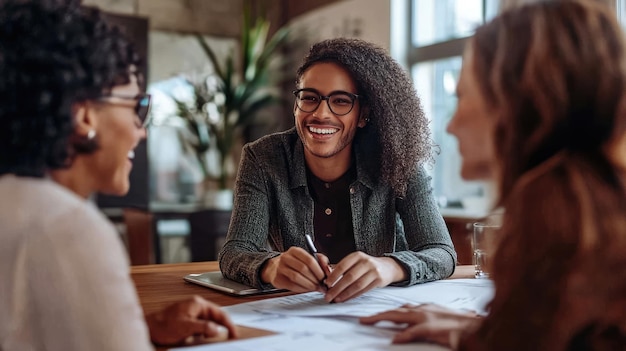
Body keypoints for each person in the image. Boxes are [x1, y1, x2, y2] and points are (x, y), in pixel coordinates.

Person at [360, 0, 626, 349]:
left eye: (464, 98)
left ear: (517, 104)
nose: (451, 126)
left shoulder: (553, 212)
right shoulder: (593, 201)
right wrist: (481, 332)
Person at [0, 1, 236, 350]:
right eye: (136, 106)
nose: (141, 131)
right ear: (84, 117)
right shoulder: (69, 229)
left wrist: (140, 326)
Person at [219, 37, 457, 303]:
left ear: (364, 113)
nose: (321, 113)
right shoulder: (262, 158)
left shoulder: (398, 158)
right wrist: (270, 267)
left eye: (341, 101)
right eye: (309, 98)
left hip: (382, 313)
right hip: (298, 317)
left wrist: (388, 267)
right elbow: (235, 251)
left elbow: (441, 252)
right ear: (296, 104)